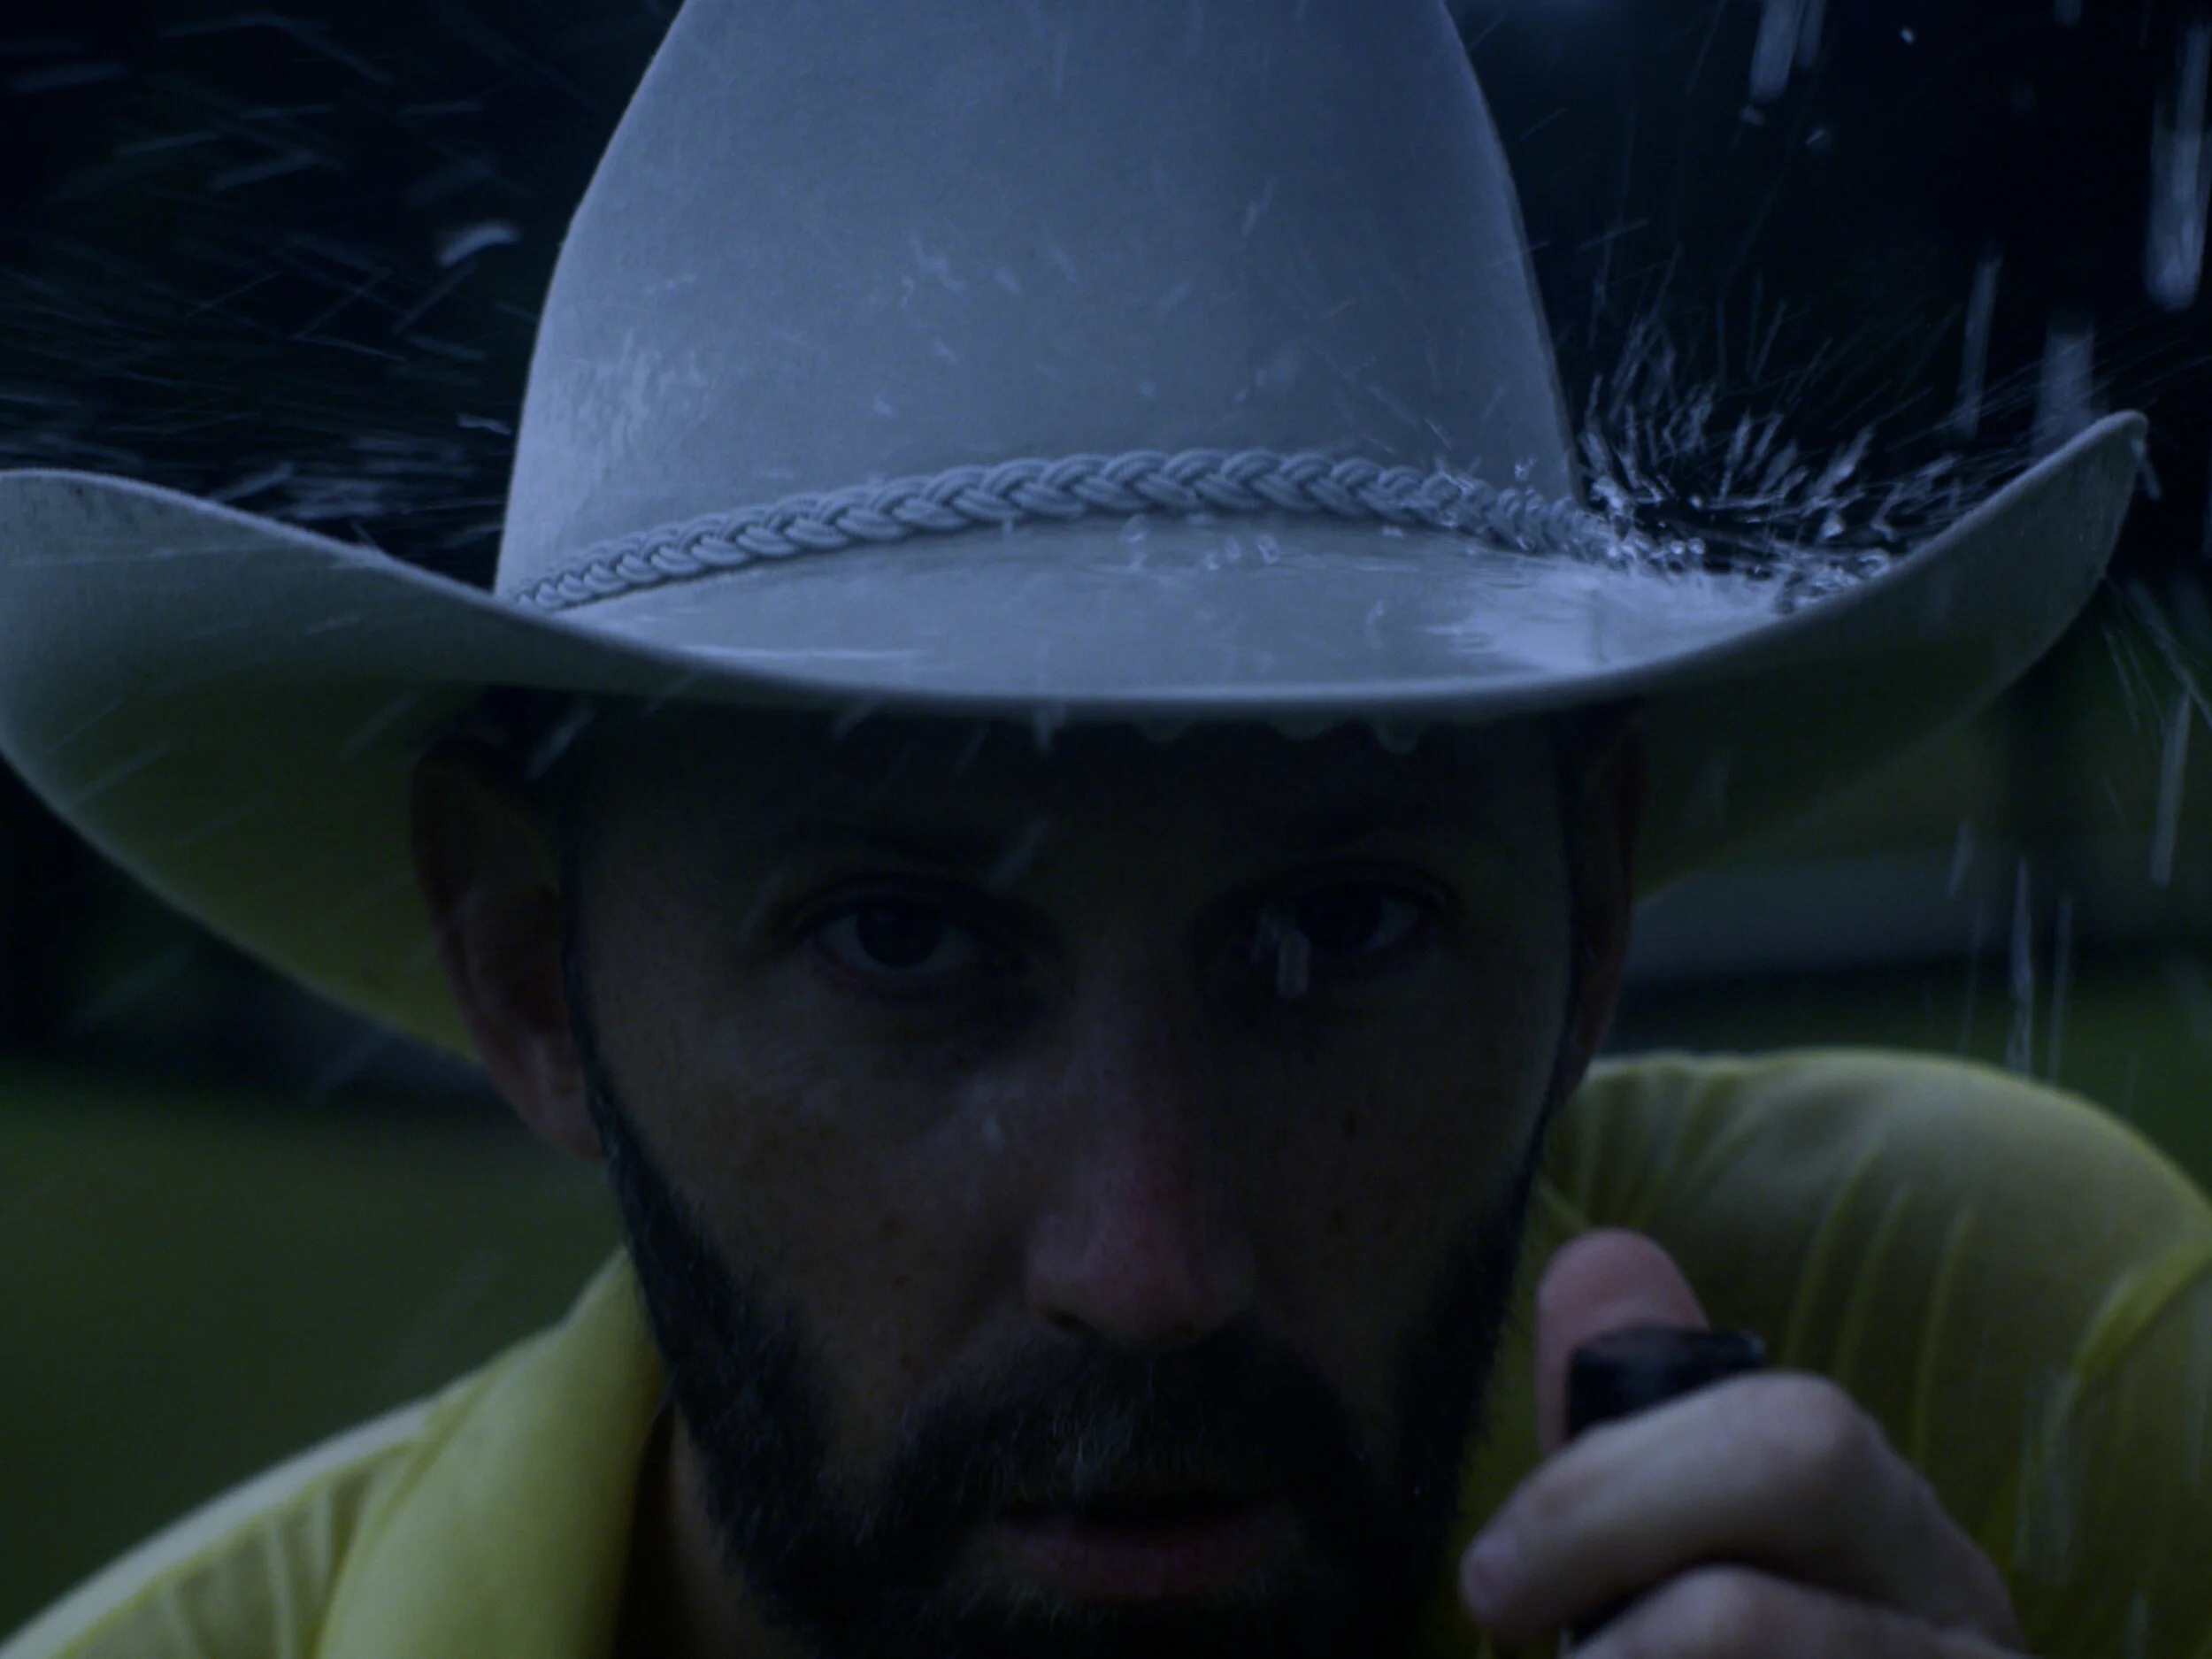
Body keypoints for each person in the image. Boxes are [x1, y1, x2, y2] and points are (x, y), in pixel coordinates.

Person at [0, 1, 2203, 1655]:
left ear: (1589, 913)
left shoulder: (1995, 1379)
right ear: (525, 971)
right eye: (896, 937)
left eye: (1341, 927)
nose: (1149, 1271)